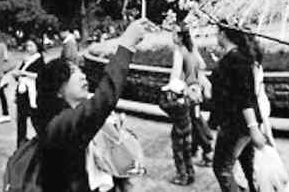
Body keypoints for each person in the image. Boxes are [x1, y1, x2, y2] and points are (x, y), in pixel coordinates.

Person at [36, 18, 149, 192]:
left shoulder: (75, 114)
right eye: (73, 73)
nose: (82, 76)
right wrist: (126, 45)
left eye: (81, 71)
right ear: (58, 89)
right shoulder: (58, 125)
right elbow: (104, 99)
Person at [209, 20, 266, 192]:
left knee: (222, 168)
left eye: (217, 33)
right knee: (247, 164)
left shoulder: (236, 60)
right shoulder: (237, 57)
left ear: (223, 34)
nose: (216, 36)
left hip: (235, 124)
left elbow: (244, 97)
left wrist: (253, 128)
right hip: (240, 123)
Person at [171, 25, 213, 167]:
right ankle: (196, 150)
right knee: (195, 120)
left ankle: (207, 150)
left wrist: (172, 89)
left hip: (187, 93)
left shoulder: (179, 52)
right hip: (196, 92)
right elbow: (202, 65)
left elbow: (175, 76)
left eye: (174, 34)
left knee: (194, 123)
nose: (172, 37)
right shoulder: (191, 50)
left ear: (180, 36)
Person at [13, 37, 45, 148]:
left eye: (31, 46)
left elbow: (40, 76)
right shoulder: (26, 59)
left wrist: (24, 73)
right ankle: (20, 144)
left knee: (35, 119)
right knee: (21, 121)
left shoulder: (39, 60)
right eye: (27, 46)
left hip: (33, 94)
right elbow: (20, 73)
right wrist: (17, 75)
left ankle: (44, 141)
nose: (28, 48)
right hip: (22, 92)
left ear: (37, 47)